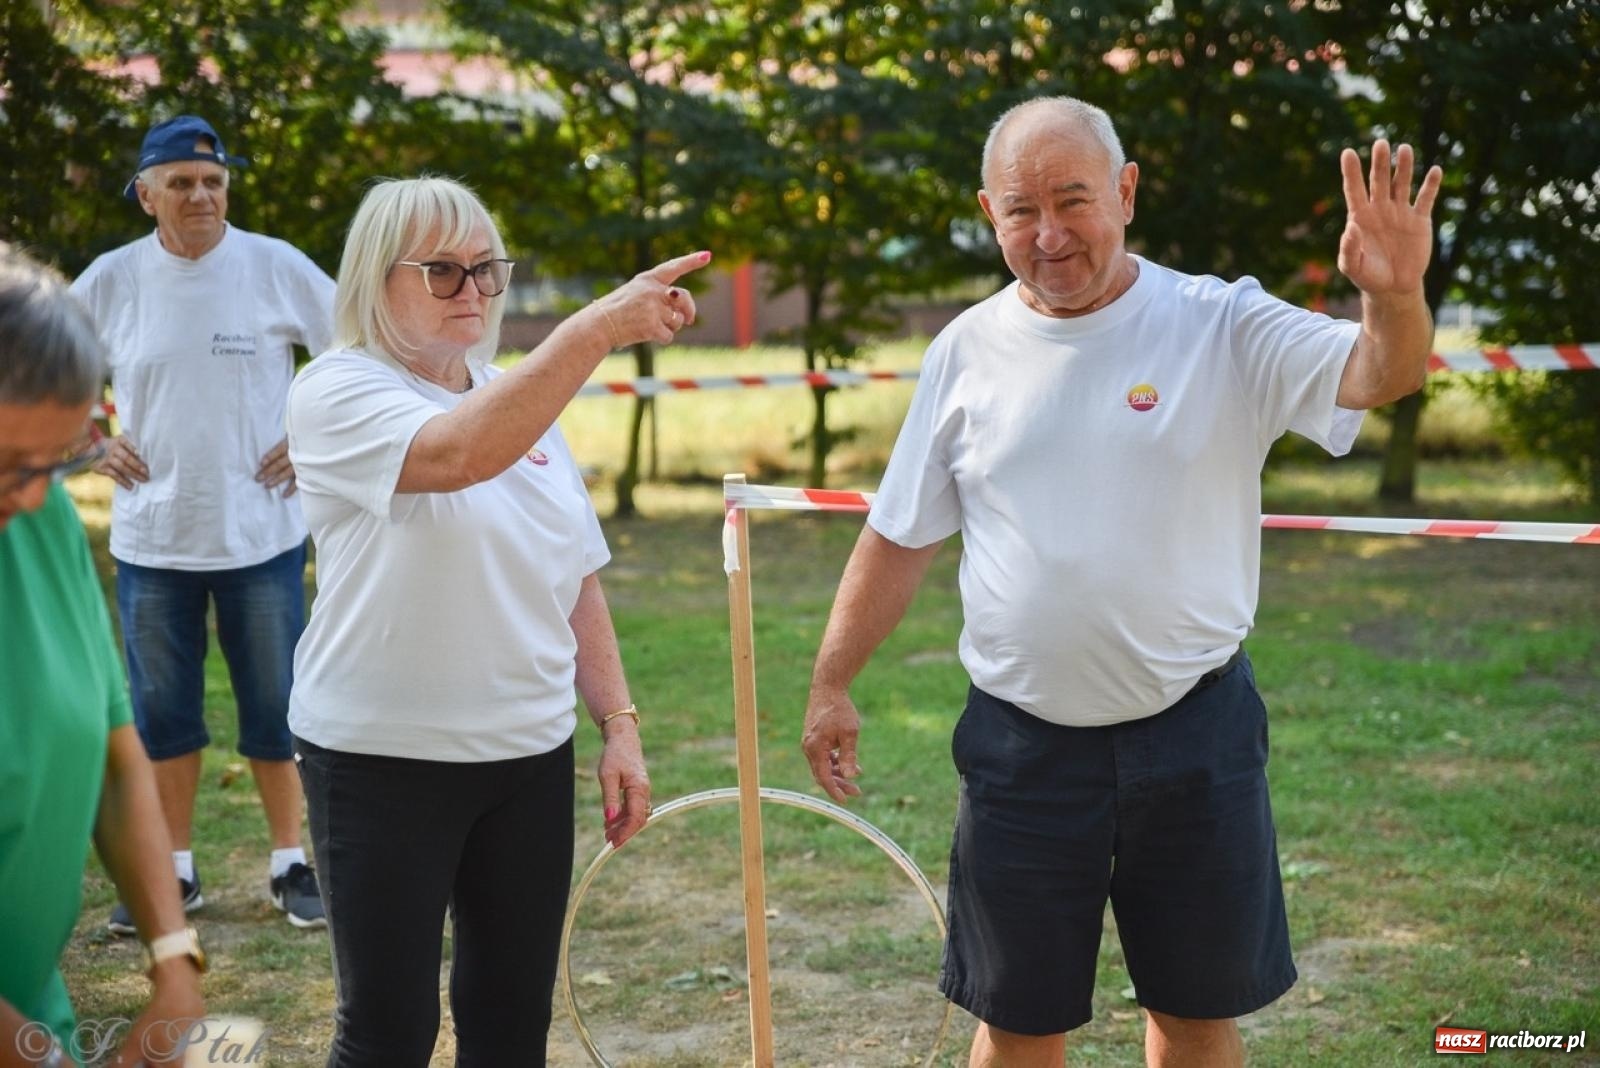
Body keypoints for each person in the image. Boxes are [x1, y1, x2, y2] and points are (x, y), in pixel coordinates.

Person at [802, 97, 1442, 1068]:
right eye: (1021, 210)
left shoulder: (1218, 322)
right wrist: (831, 681)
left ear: (1127, 192)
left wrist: (1393, 297)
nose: (1049, 236)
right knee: (1016, 1023)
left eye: (1073, 200)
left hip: (1194, 737)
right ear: (989, 213)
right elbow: (897, 535)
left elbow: (1378, 375)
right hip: (1019, 751)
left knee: (1192, 1014)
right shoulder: (964, 351)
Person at [284, 175, 709, 1066]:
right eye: (443, 270)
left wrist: (619, 725)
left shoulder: (517, 394)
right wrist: (597, 327)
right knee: (388, 1032)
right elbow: (458, 451)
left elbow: (575, 572)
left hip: (525, 756)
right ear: (374, 278)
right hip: (381, 758)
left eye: (487, 269)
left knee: (511, 1024)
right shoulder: (337, 389)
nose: (474, 290)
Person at [69, 115, 336, 933]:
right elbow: (42, 365)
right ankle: (172, 872)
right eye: (180, 183)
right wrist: (91, 439)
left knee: (280, 707)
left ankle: (292, 864)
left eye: (212, 182)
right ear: (146, 195)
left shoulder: (273, 266)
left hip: (261, 534)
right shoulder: (112, 280)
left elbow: (355, 353)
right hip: (153, 539)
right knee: (163, 717)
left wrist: (313, 438)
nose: (200, 196)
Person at [0, 244, 206, 1067]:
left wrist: (174, 964)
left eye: (54, 463)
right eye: (9, 463)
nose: (33, 495)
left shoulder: (38, 517)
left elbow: (118, 759)